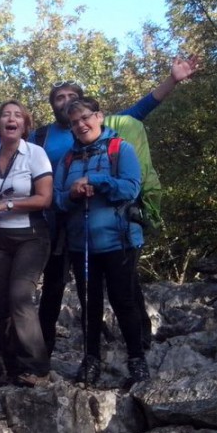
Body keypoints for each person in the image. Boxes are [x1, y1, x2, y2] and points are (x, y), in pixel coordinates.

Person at [37, 57, 200, 353]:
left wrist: (173, 80)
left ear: (93, 112)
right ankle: (46, 349)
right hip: (61, 220)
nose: (66, 101)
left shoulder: (106, 126)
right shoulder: (41, 135)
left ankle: (140, 341)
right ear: (53, 105)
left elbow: (141, 109)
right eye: (59, 97)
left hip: (108, 220)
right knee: (55, 284)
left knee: (124, 285)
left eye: (72, 96)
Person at [53, 98, 149, 387]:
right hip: (81, 244)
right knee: (89, 304)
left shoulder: (120, 149)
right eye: (74, 122)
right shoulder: (67, 159)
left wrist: (96, 181)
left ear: (99, 116)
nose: (81, 125)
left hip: (119, 241)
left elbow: (131, 188)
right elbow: (57, 200)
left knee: (124, 301)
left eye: (85, 118)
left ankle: (137, 359)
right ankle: (91, 358)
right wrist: (72, 195)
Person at [0, 102, 54, 385]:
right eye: (6, 115)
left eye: (17, 115)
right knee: (2, 302)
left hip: (31, 235)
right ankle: (13, 368)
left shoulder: (35, 153)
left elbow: (44, 199)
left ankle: (38, 368)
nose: (11, 119)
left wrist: (6, 205)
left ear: (25, 125)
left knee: (20, 296)